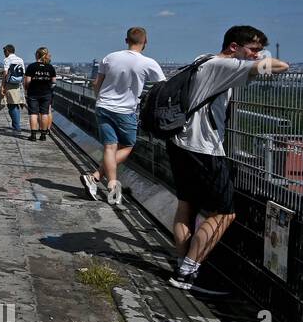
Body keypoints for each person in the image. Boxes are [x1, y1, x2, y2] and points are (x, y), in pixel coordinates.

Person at [169, 26, 289, 290]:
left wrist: (252, 56)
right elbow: (281, 66)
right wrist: (260, 59)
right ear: (234, 47)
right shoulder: (227, 65)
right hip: (205, 149)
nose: (256, 55)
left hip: (180, 144)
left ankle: (181, 265)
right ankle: (188, 272)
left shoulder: (204, 59)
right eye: (253, 49)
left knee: (186, 206)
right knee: (225, 214)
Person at [82, 27, 165, 206]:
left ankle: (97, 178)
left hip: (103, 106)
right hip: (125, 110)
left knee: (109, 147)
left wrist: (101, 99)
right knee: (127, 145)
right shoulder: (148, 63)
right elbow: (163, 88)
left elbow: (97, 83)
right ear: (145, 42)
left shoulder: (110, 57)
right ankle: (109, 184)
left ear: (126, 40)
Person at [24, 47, 57, 141]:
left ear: (37, 55)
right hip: (46, 93)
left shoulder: (32, 66)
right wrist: (49, 90)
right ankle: (43, 135)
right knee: (44, 113)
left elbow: (27, 81)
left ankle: (33, 135)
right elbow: (54, 82)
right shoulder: (50, 67)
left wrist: (26, 90)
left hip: (33, 93)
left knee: (33, 114)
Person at [0, 45, 27, 133]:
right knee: (16, 104)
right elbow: (23, 73)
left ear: (8, 51)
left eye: (4, 52)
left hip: (10, 84)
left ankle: (16, 126)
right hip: (18, 84)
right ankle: (16, 124)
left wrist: (2, 86)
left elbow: (5, 73)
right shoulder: (20, 59)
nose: (4, 54)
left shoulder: (7, 60)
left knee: (11, 105)